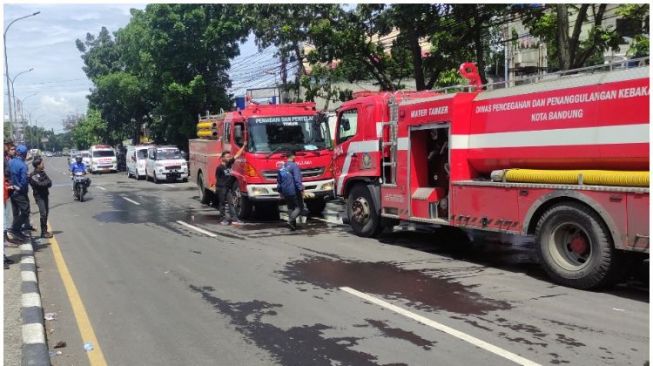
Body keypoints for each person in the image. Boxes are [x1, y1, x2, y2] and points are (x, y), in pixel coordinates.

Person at [215, 142, 246, 225]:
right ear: (222, 158)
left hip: (227, 188)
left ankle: (235, 219)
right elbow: (218, 179)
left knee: (231, 203)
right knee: (222, 204)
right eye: (227, 157)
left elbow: (237, 155)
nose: (229, 158)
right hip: (221, 188)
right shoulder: (219, 168)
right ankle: (222, 219)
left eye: (229, 156)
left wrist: (243, 146)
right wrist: (221, 188)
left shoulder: (229, 164)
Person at [277, 151, 305, 231]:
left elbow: (279, 181)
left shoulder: (282, 167)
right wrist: (301, 189)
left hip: (285, 191)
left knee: (290, 207)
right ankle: (291, 220)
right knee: (300, 207)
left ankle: (293, 226)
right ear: (293, 156)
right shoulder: (294, 166)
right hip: (293, 190)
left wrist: (280, 191)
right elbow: (297, 179)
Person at [8, 145, 30, 243]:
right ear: (24, 154)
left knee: (16, 212)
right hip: (20, 192)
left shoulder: (10, 162)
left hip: (11, 190)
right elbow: (24, 181)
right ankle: (15, 230)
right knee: (25, 211)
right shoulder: (23, 165)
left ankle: (16, 231)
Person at [29, 157, 53, 239]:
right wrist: (44, 183)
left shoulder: (43, 173)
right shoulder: (33, 175)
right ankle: (43, 232)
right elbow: (38, 184)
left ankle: (45, 231)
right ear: (38, 165)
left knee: (46, 213)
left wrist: (43, 183)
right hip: (39, 197)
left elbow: (50, 182)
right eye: (42, 163)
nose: (43, 164)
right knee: (43, 213)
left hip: (45, 195)